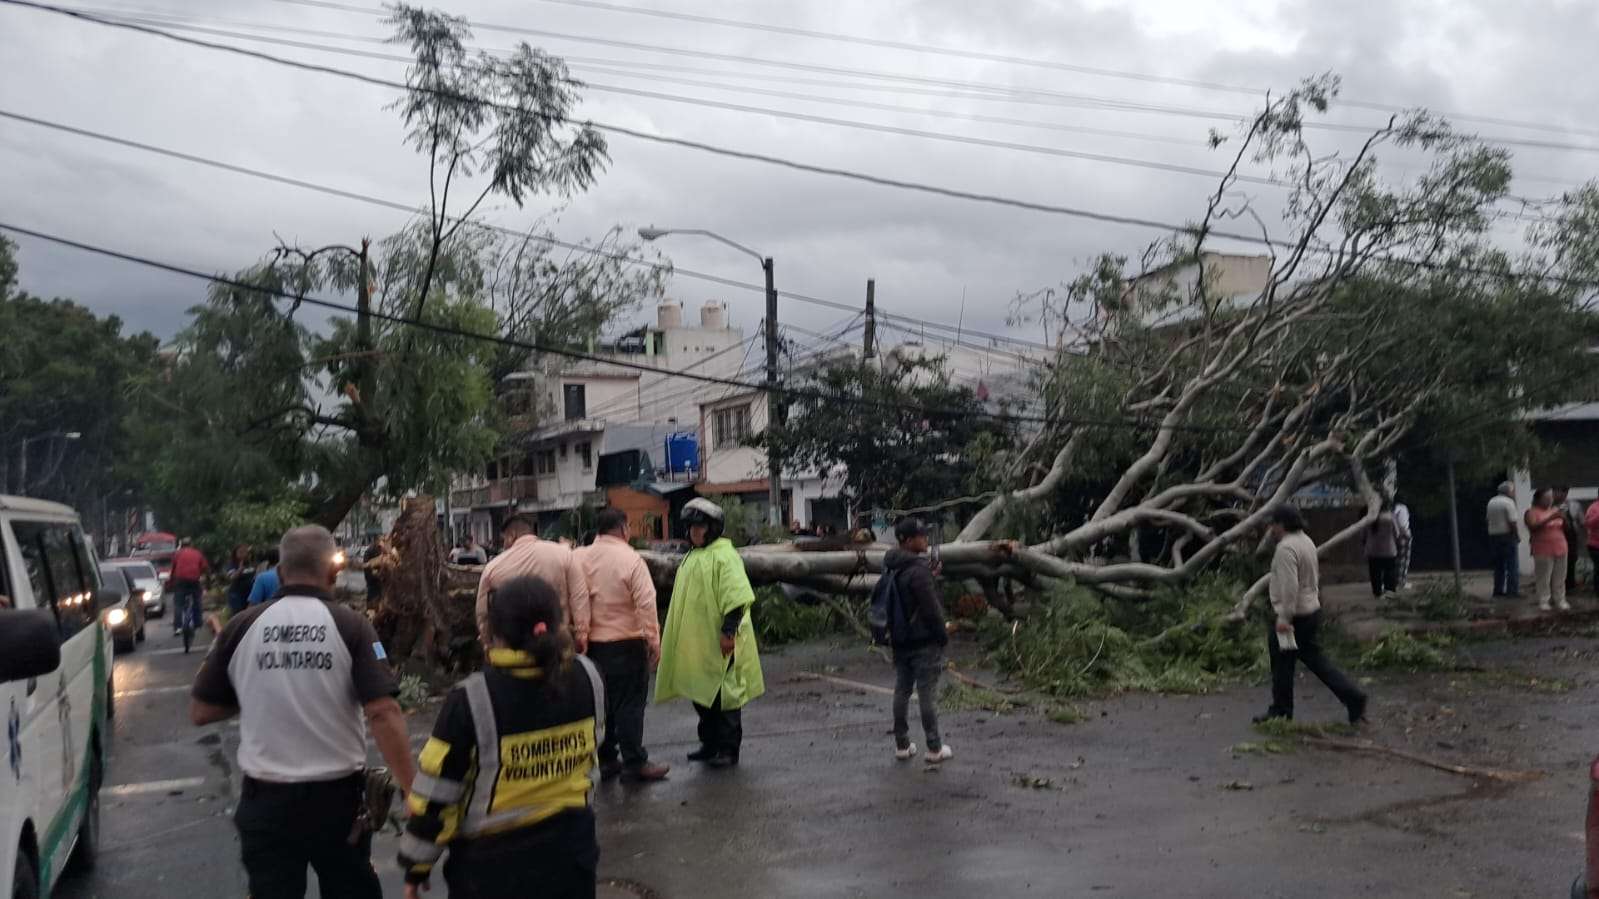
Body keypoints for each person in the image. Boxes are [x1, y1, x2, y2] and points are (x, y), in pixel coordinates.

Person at [190, 525, 415, 899]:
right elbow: (383, 711)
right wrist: (411, 788)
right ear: (333, 572)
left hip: (265, 801)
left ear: (280, 572)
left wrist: (261, 688)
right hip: (337, 802)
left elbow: (201, 710)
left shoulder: (241, 626)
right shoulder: (351, 626)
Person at [399, 576, 604, 899]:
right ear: (558, 622)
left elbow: (437, 796)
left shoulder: (471, 699)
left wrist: (416, 865)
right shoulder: (588, 677)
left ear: (493, 633)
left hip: (492, 870)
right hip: (571, 858)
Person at [655, 498, 764, 768]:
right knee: (701, 694)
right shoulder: (693, 557)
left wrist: (728, 632)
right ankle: (709, 744)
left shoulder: (724, 556)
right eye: (691, 527)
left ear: (712, 528)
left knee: (725, 696)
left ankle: (728, 749)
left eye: (700, 527)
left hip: (721, 640)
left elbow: (736, 597)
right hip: (698, 644)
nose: (694, 532)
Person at [574, 507, 669, 783]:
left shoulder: (579, 558)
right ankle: (635, 762)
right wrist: (653, 640)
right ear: (624, 529)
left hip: (591, 646)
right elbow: (645, 602)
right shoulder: (631, 559)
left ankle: (606, 759)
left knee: (600, 705)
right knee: (629, 705)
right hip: (626, 643)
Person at [1254, 505, 1367, 725]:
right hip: (1310, 612)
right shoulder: (1306, 541)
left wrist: (1284, 619)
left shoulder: (1285, 548)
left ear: (1281, 524)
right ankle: (1353, 697)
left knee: (1282, 664)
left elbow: (1289, 587)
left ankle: (1281, 710)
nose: (1271, 529)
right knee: (1315, 660)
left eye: (1273, 524)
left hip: (1293, 616)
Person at [884, 518, 953, 764]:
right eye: (921, 536)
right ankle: (934, 748)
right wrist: (942, 636)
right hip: (923, 641)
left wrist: (929, 576)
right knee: (927, 694)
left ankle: (902, 745)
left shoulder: (892, 566)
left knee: (902, 691)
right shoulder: (918, 570)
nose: (925, 540)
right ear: (908, 540)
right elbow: (930, 610)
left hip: (900, 640)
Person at [476, 514, 590, 651]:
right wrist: (581, 633)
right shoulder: (564, 554)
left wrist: (487, 641)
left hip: (513, 647)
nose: (504, 545)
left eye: (504, 539)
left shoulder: (493, 567)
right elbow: (579, 595)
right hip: (556, 642)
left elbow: (483, 611)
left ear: (512, 535)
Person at [1525, 487, 1570, 612]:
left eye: (1551, 498)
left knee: (1560, 576)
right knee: (1544, 577)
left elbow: (1566, 528)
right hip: (1542, 548)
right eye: (1546, 498)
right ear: (1538, 499)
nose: (1550, 500)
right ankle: (1544, 600)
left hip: (1561, 546)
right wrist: (1551, 518)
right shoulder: (1531, 512)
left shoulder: (1555, 510)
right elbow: (1533, 527)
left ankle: (1560, 599)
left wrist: (1564, 518)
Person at [1486, 482, 1521, 598]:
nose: (1513, 493)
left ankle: (1498, 590)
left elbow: (1488, 519)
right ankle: (1512, 591)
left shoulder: (1491, 502)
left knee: (1499, 565)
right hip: (1507, 536)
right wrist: (1516, 535)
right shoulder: (1509, 502)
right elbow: (1512, 522)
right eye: (1512, 491)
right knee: (1512, 565)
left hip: (1493, 536)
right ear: (1508, 491)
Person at [168, 537, 209, 634]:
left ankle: (178, 627)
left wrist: (171, 582)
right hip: (194, 580)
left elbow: (173, 569)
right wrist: (204, 578)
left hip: (180, 581)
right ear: (191, 544)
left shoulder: (177, 554)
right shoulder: (197, 553)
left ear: (181, 545)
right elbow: (205, 567)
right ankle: (198, 623)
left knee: (178, 604)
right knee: (197, 600)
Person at [1362, 499, 1399, 598]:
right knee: (1390, 571)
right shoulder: (1391, 517)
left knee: (1375, 573)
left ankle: (1377, 593)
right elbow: (1397, 533)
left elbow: (1364, 535)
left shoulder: (1369, 518)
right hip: (1389, 550)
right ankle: (1389, 592)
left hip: (1372, 551)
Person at [1558, 486, 1583, 593]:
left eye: (1564, 492)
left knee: (1572, 559)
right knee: (1560, 561)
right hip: (1559, 535)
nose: (1562, 494)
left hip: (1572, 536)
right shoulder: (1553, 506)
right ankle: (1560, 585)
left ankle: (1570, 585)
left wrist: (1581, 535)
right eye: (1559, 492)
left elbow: (1581, 521)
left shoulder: (1575, 505)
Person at [226, 543, 256, 614]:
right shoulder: (232, 564)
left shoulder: (251, 564)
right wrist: (240, 570)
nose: (244, 554)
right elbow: (232, 577)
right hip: (237, 594)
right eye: (241, 552)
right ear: (235, 553)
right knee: (238, 614)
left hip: (249, 593)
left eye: (245, 552)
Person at [1393, 497, 1413, 591]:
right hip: (1404, 535)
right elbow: (1403, 523)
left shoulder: (1393, 508)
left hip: (1395, 536)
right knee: (1404, 559)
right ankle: (1401, 581)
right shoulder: (1402, 508)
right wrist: (1405, 533)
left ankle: (1396, 581)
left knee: (1397, 559)